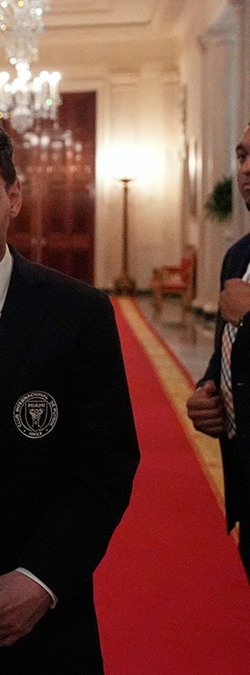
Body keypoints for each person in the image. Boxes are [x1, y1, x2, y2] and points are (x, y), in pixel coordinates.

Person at [0, 110, 140, 673]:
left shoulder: (78, 314)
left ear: (15, 196)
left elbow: (105, 465)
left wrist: (43, 578)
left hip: (40, 626)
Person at [186, 121, 250, 582]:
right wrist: (208, 392)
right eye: (242, 156)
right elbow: (225, 353)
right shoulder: (238, 256)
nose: (246, 168)